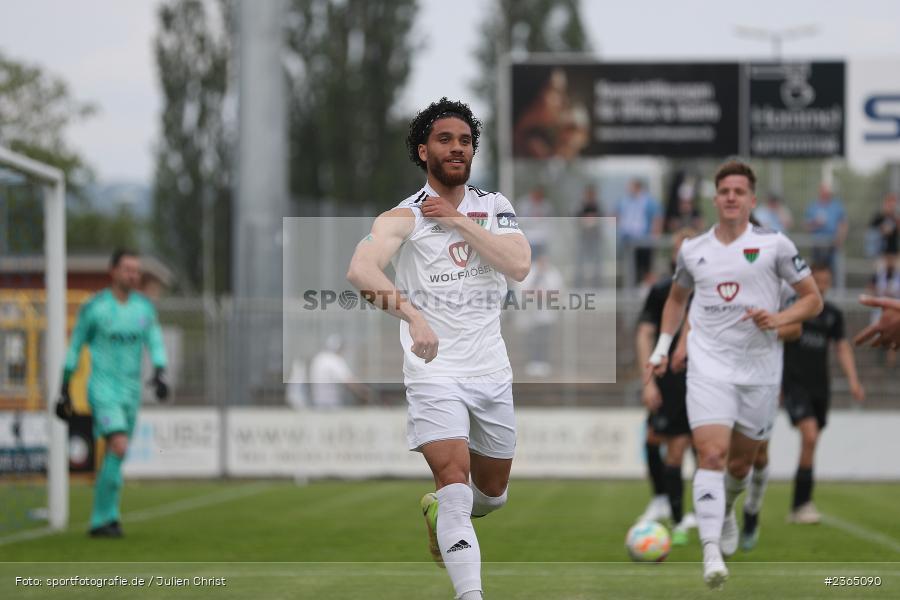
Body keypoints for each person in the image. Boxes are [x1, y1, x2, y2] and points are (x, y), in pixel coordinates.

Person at [346, 98, 530, 600]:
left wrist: (456, 220)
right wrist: (413, 315)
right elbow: (361, 271)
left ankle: (438, 512)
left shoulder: (494, 206)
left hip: (490, 368)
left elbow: (518, 264)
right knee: (453, 480)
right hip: (433, 370)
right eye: (445, 140)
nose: (457, 148)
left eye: (465, 141)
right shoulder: (402, 216)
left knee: (491, 496)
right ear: (423, 149)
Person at [647, 160, 822, 589]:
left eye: (739, 191)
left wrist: (779, 319)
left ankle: (729, 509)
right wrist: (663, 347)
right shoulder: (694, 250)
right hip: (708, 368)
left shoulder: (775, 246)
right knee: (710, 456)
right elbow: (675, 300)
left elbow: (812, 300)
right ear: (715, 197)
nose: (730, 197)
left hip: (759, 372)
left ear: (751, 199)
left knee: (741, 465)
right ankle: (710, 553)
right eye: (724, 190)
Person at [55, 249, 168, 538]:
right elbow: (75, 345)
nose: (133, 274)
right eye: (128, 269)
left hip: (131, 393)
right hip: (103, 389)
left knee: (118, 454)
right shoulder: (95, 308)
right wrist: (64, 387)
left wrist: (159, 370)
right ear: (113, 271)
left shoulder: (143, 309)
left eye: (136, 270)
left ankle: (106, 519)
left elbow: (154, 340)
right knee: (118, 445)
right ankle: (102, 519)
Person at [635, 228, 698, 546]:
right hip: (668, 377)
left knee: (690, 448)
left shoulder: (710, 288)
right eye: (679, 247)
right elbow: (644, 333)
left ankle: (688, 515)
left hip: (701, 377)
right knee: (657, 441)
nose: (683, 251)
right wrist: (648, 381)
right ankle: (666, 504)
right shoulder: (662, 290)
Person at [616, 179, 663, 288]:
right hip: (628, 241)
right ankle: (633, 289)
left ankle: (650, 289)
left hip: (644, 241)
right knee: (632, 268)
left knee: (646, 268)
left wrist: (655, 235)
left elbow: (657, 217)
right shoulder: (625, 201)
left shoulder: (648, 201)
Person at [308, 334, 372, 408]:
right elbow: (349, 380)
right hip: (331, 403)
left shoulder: (319, 358)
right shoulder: (334, 360)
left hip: (317, 401)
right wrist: (364, 391)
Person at [804, 183, 848, 272]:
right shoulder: (813, 206)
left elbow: (843, 224)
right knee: (817, 269)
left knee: (833, 270)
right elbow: (807, 226)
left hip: (832, 244)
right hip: (817, 245)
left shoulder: (837, 206)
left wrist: (840, 238)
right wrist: (816, 223)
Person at [574, 184, 602, 288]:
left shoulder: (597, 205)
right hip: (583, 238)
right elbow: (576, 220)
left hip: (594, 238)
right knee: (579, 262)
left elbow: (600, 219)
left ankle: (597, 286)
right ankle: (578, 285)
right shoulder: (580, 206)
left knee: (597, 263)